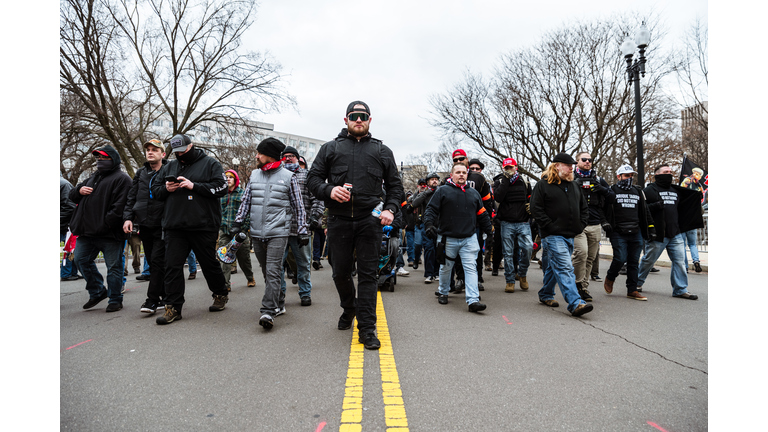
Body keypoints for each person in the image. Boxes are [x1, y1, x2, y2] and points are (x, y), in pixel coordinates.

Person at [307, 100, 404, 350]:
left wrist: (390, 209)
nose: (358, 120)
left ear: (370, 120)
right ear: (346, 120)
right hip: (338, 221)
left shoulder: (382, 151)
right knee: (340, 272)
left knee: (368, 276)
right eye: (353, 116)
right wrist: (329, 190)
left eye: (363, 116)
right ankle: (348, 308)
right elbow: (313, 180)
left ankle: (367, 328)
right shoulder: (330, 148)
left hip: (369, 222)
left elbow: (396, 187)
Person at [150, 133, 230, 324]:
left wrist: (194, 186)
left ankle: (220, 293)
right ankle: (173, 307)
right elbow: (155, 191)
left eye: (183, 150)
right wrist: (167, 189)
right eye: (175, 152)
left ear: (191, 146)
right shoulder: (169, 166)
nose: (179, 155)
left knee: (208, 263)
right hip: (175, 225)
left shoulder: (210, 164)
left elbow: (222, 188)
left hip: (203, 224)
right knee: (172, 266)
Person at [231, 138, 308, 329]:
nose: (256, 156)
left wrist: (302, 230)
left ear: (270, 155)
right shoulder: (255, 175)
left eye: (259, 152)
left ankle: (267, 310)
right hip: (256, 232)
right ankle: (279, 302)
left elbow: (298, 206)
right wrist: (238, 222)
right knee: (267, 271)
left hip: (279, 232)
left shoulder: (288, 177)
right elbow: (246, 201)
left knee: (273, 271)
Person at [69, 145, 132, 312]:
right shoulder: (93, 176)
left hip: (110, 233)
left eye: (104, 158)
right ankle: (97, 291)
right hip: (87, 232)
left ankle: (115, 299)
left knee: (114, 267)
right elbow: (71, 195)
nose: (100, 161)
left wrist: (105, 223)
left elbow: (120, 207)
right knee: (80, 260)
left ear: (114, 160)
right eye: (98, 158)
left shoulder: (122, 179)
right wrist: (79, 190)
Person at [530, 153, 593, 317]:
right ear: (557, 166)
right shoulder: (542, 185)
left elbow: (584, 207)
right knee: (565, 267)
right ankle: (575, 303)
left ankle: (545, 294)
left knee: (553, 267)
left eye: (572, 165)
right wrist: (549, 226)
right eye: (568, 165)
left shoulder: (574, 185)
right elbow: (536, 208)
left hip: (571, 233)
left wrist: (581, 224)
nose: (572, 167)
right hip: (552, 235)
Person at [424, 163, 493, 312]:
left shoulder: (474, 194)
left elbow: (483, 214)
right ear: (452, 175)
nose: (461, 174)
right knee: (445, 268)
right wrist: (429, 224)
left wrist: (490, 232)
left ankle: (473, 300)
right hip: (447, 238)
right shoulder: (442, 191)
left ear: (467, 175)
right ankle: (443, 291)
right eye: (458, 172)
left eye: (464, 172)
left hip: (469, 238)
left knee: (471, 269)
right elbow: (431, 209)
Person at [636, 164, 704, 299]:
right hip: (658, 234)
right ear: (657, 175)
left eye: (670, 172)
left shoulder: (676, 190)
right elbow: (641, 209)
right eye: (666, 172)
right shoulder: (649, 190)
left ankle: (680, 289)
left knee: (679, 261)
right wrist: (655, 206)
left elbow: (684, 206)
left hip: (676, 233)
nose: (669, 174)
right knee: (649, 260)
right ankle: (636, 282)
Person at [122, 139, 169, 314]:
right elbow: (131, 198)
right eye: (148, 149)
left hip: (163, 224)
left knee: (157, 261)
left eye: (154, 150)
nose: (150, 152)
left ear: (162, 154)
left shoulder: (169, 170)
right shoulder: (141, 173)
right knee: (154, 261)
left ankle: (152, 300)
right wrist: (128, 218)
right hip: (145, 224)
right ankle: (165, 296)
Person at [602, 165, 656, 301]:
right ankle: (610, 277)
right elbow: (602, 209)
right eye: (626, 175)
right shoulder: (611, 190)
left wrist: (651, 228)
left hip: (636, 231)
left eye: (631, 175)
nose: (629, 178)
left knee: (633, 262)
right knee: (620, 258)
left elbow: (645, 211)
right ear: (618, 176)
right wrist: (605, 222)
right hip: (618, 231)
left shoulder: (637, 191)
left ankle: (632, 290)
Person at [278, 145, 323, 308]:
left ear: (297, 158)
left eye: (291, 156)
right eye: (285, 156)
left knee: (303, 264)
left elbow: (318, 199)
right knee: (277, 266)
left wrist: (314, 217)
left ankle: (305, 293)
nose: (288, 158)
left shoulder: (307, 176)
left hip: (301, 229)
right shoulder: (276, 175)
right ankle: (279, 294)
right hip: (279, 230)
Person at [571, 152, 615, 302]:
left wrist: (601, 189)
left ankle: (584, 287)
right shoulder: (570, 179)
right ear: (577, 162)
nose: (588, 162)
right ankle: (576, 284)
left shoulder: (598, 179)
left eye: (590, 160)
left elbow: (612, 197)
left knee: (590, 258)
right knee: (581, 254)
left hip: (595, 223)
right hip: (577, 223)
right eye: (584, 159)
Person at [493, 157, 533, 293]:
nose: (509, 170)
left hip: (523, 222)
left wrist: (531, 207)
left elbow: (530, 198)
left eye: (511, 167)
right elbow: (498, 197)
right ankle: (509, 280)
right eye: (506, 168)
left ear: (516, 167)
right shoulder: (499, 182)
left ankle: (522, 274)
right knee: (508, 253)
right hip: (506, 223)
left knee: (528, 249)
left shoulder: (525, 182)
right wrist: (505, 180)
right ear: (503, 169)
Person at [218, 169, 256, 291]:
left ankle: (250, 277)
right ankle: (225, 284)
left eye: (231, 177)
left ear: (236, 180)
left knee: (244, 258)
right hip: (224, 231)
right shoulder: (221, 194)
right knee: (224, 258)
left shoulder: (242, 193)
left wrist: (244, 229)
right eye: (226, 177)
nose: (228, 179)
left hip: (240, 233)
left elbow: (249, 212)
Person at [410, 173, 441, 284]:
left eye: (436, 179)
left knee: (438, 249)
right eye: (432, 180)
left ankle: (437, 273)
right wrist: (426, 192)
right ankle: (429, 274)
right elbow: (414, 203)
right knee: (429, 249)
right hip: (425, 225)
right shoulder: (424, 194)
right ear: (428, 182)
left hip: (439, 225)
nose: (434, 181)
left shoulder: (441, 191)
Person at [60, 174, 82, 281]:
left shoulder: (64, 185)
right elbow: (69, 206)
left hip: (66, 224)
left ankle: (69, 272)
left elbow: (69, 207)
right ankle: (68, 273)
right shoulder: (64, 184)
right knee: (70, 248)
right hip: (66, 224)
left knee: (70, 248)